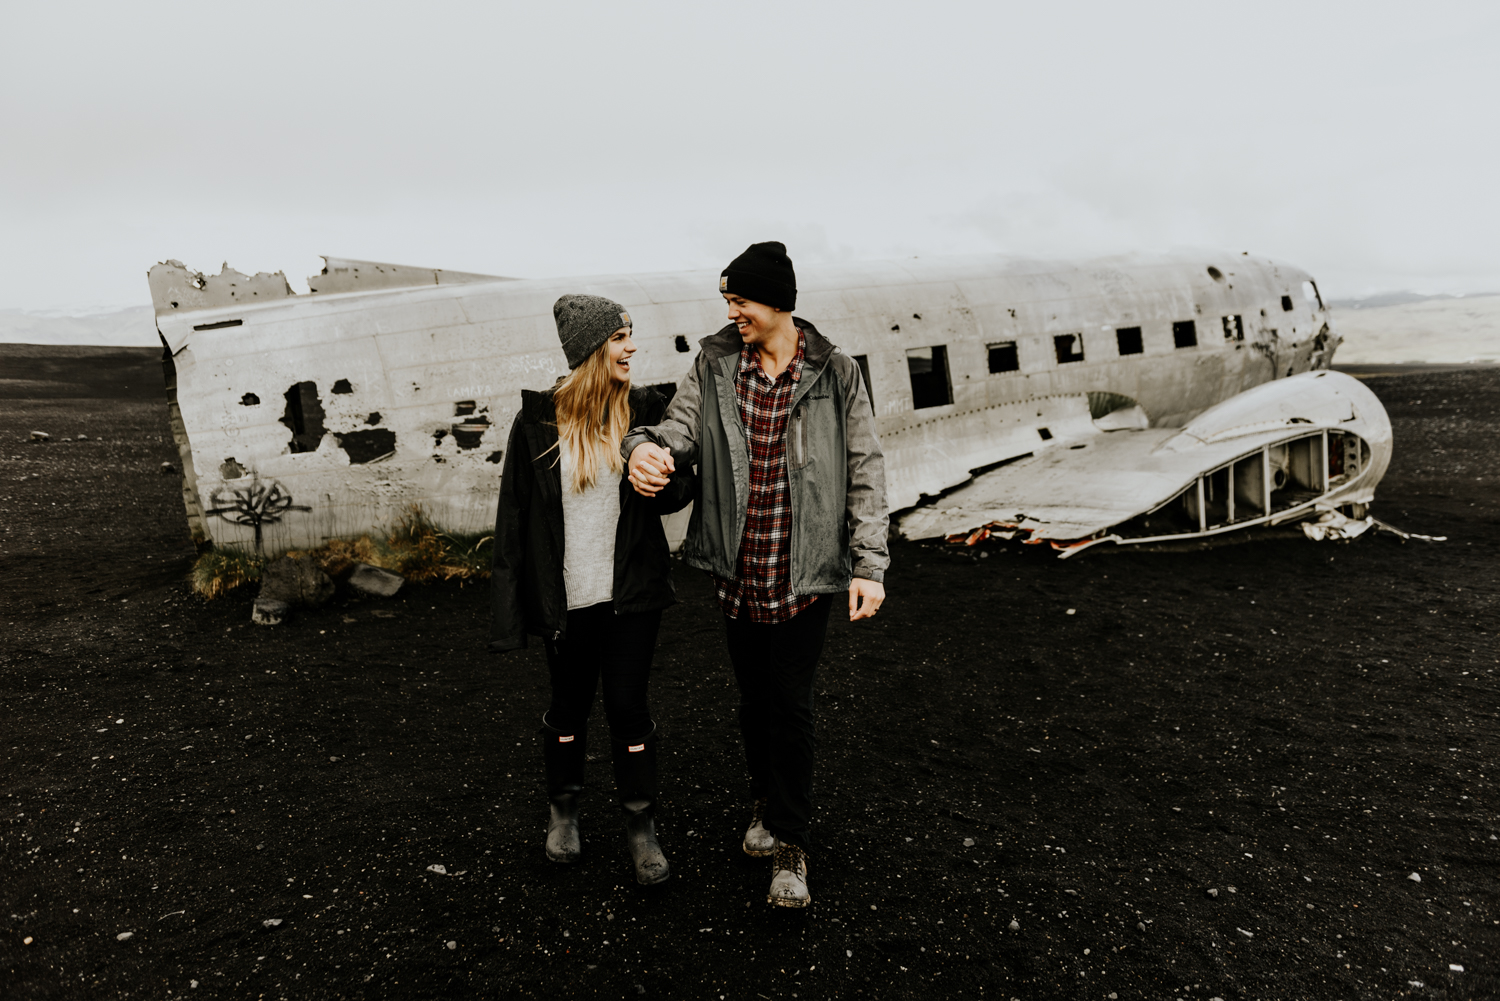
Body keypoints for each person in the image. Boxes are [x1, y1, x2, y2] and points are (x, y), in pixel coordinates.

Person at [623, 242, 888, 908]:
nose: (732, 311)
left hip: (806, 573)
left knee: (790, 704)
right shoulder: (715, 365)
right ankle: (764, 804)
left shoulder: (837, 373)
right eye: (728, 301)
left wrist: (870, 564)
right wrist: (644, 448)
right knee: (752, 701)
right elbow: (676, 426)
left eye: (739, 300)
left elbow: (866, 469)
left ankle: (791, 847)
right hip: (738, 572)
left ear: (776, 301)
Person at [489, 293, 694, 886]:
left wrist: (667, 471)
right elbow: (514, 520)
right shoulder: (538, 423)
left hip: (631, 596)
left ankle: (640, 827)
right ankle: (564, 813)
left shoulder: (648, 411)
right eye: (619, 336)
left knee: (629, 708)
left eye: (631, 334)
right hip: (567, 602)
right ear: (589, 349)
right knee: (569, 706)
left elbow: (678, 493)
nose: (631, 346)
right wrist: (511, 611)